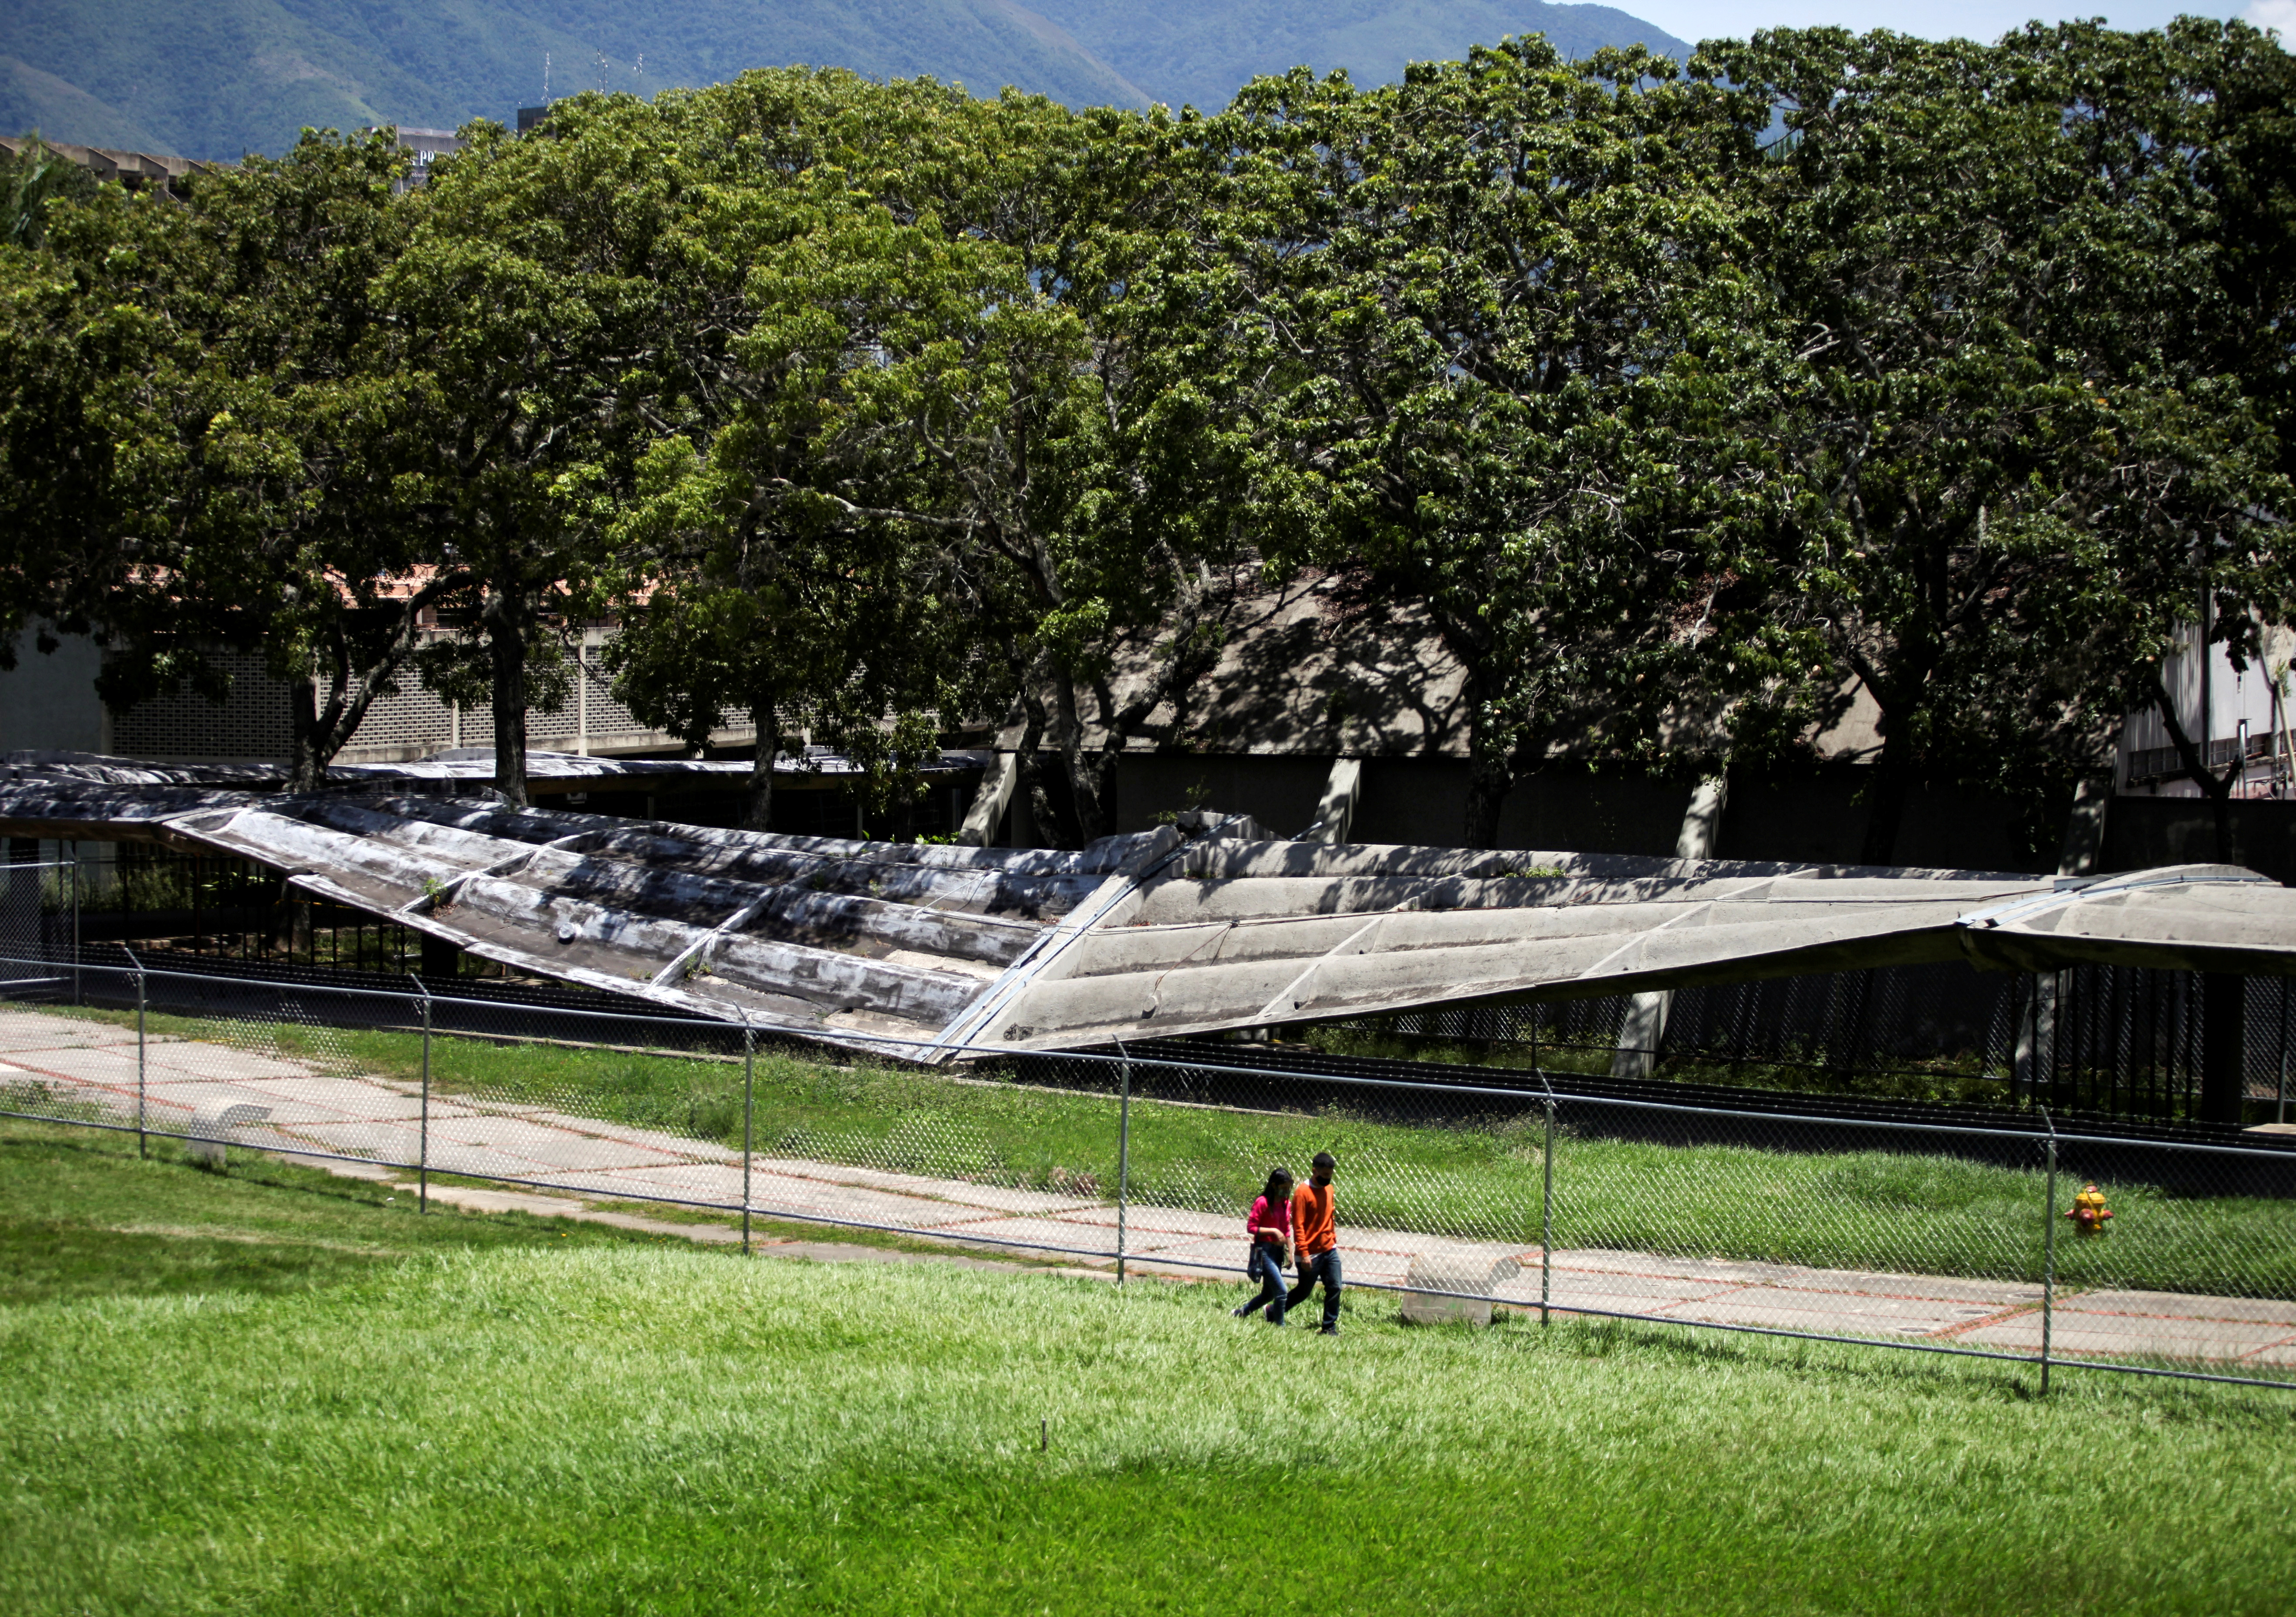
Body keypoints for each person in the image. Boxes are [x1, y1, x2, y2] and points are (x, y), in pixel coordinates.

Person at [1285, 1150, 1342, 1335]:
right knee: (1303, 1292)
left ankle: (1329, 1327)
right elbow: (1298, 1225)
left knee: (1335, 1287)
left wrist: (1332, 1239)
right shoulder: (1302, 1192)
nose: (1328, 1178)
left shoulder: (1329, 1189)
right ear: (1314, 1170)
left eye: (1330, 1175)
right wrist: (1304, 1252)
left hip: (1329, 1249)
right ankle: (1274, 1311)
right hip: (1310, 1252)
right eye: (1325, 1175)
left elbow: (1329, 1218)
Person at [1232, 1166, 1294, 1324]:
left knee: (1268, 1294)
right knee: (1281, 1291)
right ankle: (1280, 1326)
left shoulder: (1286, 1204)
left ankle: (1242, 1313)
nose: (1286, 1192)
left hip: (1278, 1252)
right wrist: (1273, 1231)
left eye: (1289, 1188)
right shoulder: (1263, 1202)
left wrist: (1290, 1251)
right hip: (1265, 1252)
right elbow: (1251, 1227)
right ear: (1274, 1186)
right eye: (1283, 1188)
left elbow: (1286, 1229)